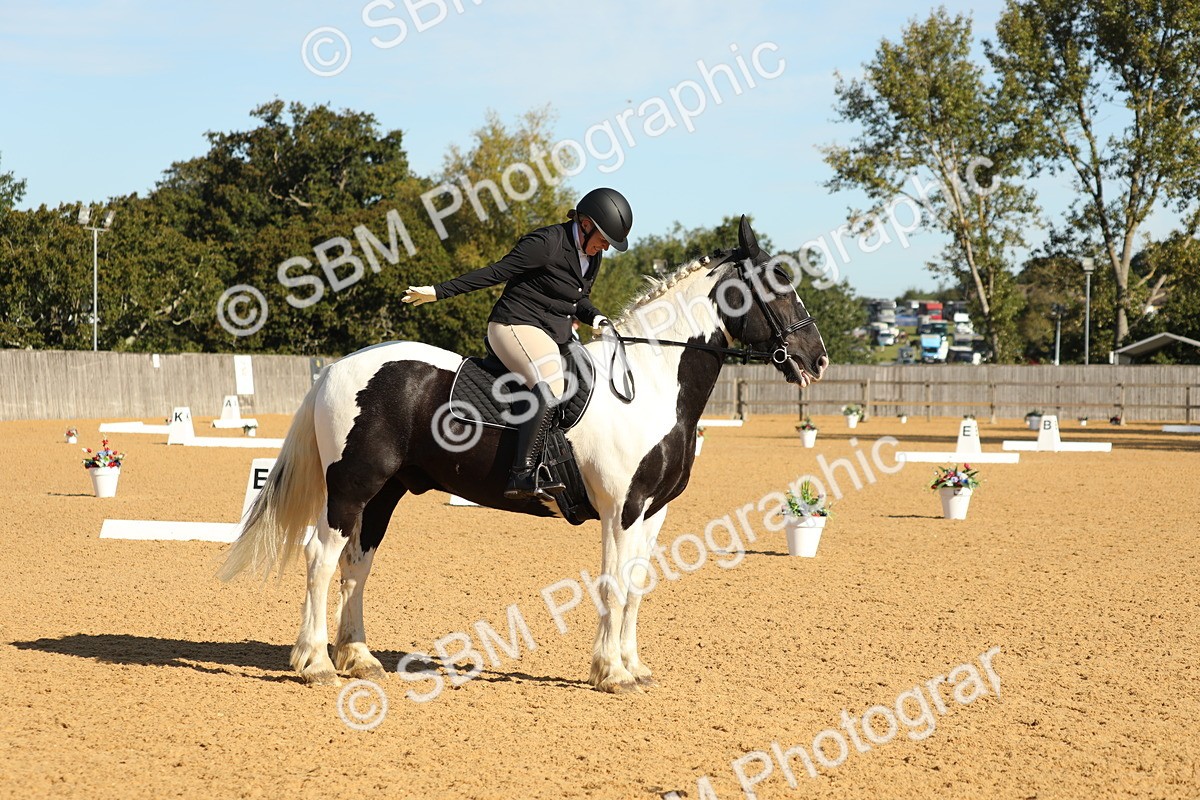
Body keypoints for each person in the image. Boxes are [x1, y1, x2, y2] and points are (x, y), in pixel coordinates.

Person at [402, 187, 633, 501]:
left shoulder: (593, 257)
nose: (605, 246)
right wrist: (439, 291)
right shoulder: (547, 243)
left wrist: (598, 317)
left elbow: (578, 300)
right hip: (513, 324)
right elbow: (495, 272)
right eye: (604, 239)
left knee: (586, 377)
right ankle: (522, 473)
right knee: (551, 380)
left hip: (553, 333)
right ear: (585, 224)